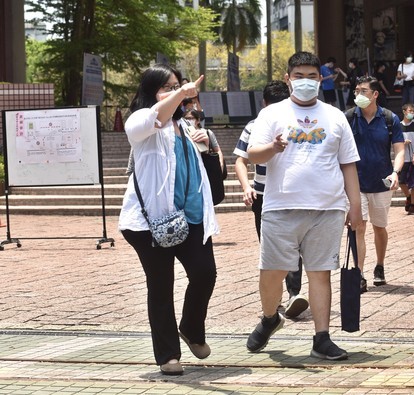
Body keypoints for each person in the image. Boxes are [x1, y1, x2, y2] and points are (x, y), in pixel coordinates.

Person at [246, 51, 361, 360]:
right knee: (273, 271)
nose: (306, 82)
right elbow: (253, 154)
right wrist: (273, 147)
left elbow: (348, 164)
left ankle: (321, 338)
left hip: (327, 208)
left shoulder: (336, 116)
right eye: (299, 76)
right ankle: (270, 317)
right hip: (281, 206)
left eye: (312, 76)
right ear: (288, 79)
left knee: (320, 272)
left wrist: (356, 207)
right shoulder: (272, 115)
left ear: (321, 79)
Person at [118, 64, 219, 376]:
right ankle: (167, 355)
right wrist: (180, 94)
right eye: (167, 86)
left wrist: (209, 146)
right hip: (149, 223)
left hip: (190, 219)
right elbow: (155, 116)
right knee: (161, 286)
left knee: (205, 274)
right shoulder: (141, 122)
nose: (175, 90)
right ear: (151, 92)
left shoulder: (186, 128)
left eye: (177, 84)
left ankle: (190, 328)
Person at [233, 80, 309, 319]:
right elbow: (241, 160)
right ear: (264, 105)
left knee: (293, 245)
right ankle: (275, 298)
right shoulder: (254, 126)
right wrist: (246, 187)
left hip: (291, 193)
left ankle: (293, 294)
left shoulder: (299, 125)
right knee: (270, 246)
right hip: (263, 195)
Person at [346, 75, 404, 293]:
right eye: (356, 91)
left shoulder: (390, 119)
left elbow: (399, 151)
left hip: (381, 183)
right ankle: (359, 273)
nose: (358, 95)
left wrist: (396, 172)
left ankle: (379, 265)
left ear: (375, 94)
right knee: (358, 227)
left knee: (379, 227)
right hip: (355, 184)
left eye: (363, 91)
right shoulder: (349, 117)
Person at [398, 103, 414, 215]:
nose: (411, 113)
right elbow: (395, 142)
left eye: (413, 112)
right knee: (401, 181)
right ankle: (408, 197)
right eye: (409, 111)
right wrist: (403, 143)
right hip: (403, 159)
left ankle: (412, 205)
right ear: (404, 111)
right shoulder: (398, 126)